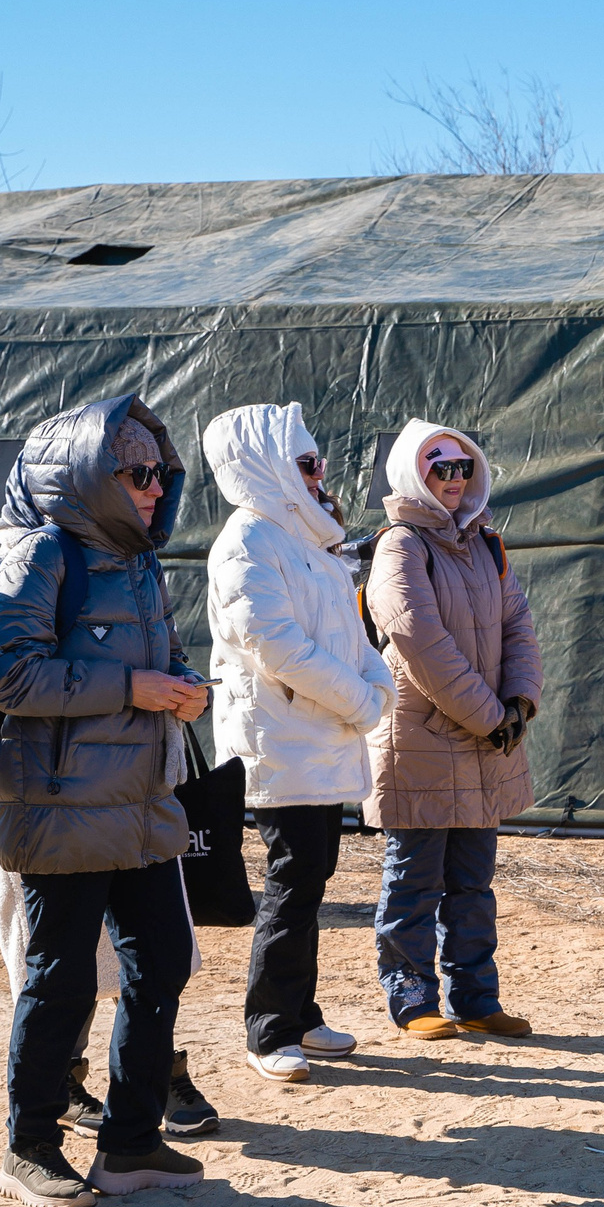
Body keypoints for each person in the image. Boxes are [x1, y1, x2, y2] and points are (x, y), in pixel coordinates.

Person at [0, 396, 212, 1207]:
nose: (153, 487)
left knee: (164, 963)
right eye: (135, 472)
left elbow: (164, 659)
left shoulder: (143, 563)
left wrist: (184, 690)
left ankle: (131, 1140)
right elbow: (8, 673)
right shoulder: (43, 556)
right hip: (62, 808)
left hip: (142, 805)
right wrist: (133, 686)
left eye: (159, 471)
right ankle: (30, 1145)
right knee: (62, 980)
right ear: (85, 476)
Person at [204, 402, 393, 1083]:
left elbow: (350, 628)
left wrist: (375, 688)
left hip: (322, 738)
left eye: (317, 463)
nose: (320, 476)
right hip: (281, 744)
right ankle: (269, 1027)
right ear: (267, 466)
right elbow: (277, 646)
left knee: (310, 879)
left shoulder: (307, 538)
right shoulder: (246, 541)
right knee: (291, 880)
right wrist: (364, 698)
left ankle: (300, 1012)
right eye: (306, 464)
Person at [363, 421, 543, 1040]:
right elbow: (420, 643)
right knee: (414, 877)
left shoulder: (485, 543)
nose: (454, 478)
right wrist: (493, 716)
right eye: (439, 467)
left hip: (483, 736)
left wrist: (521, 700)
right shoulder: (400, 546)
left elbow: (517, 622)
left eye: (462, 467)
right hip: (424, 737)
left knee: (472, 881)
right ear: (413, 473)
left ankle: (475, 997)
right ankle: (412, 1001)